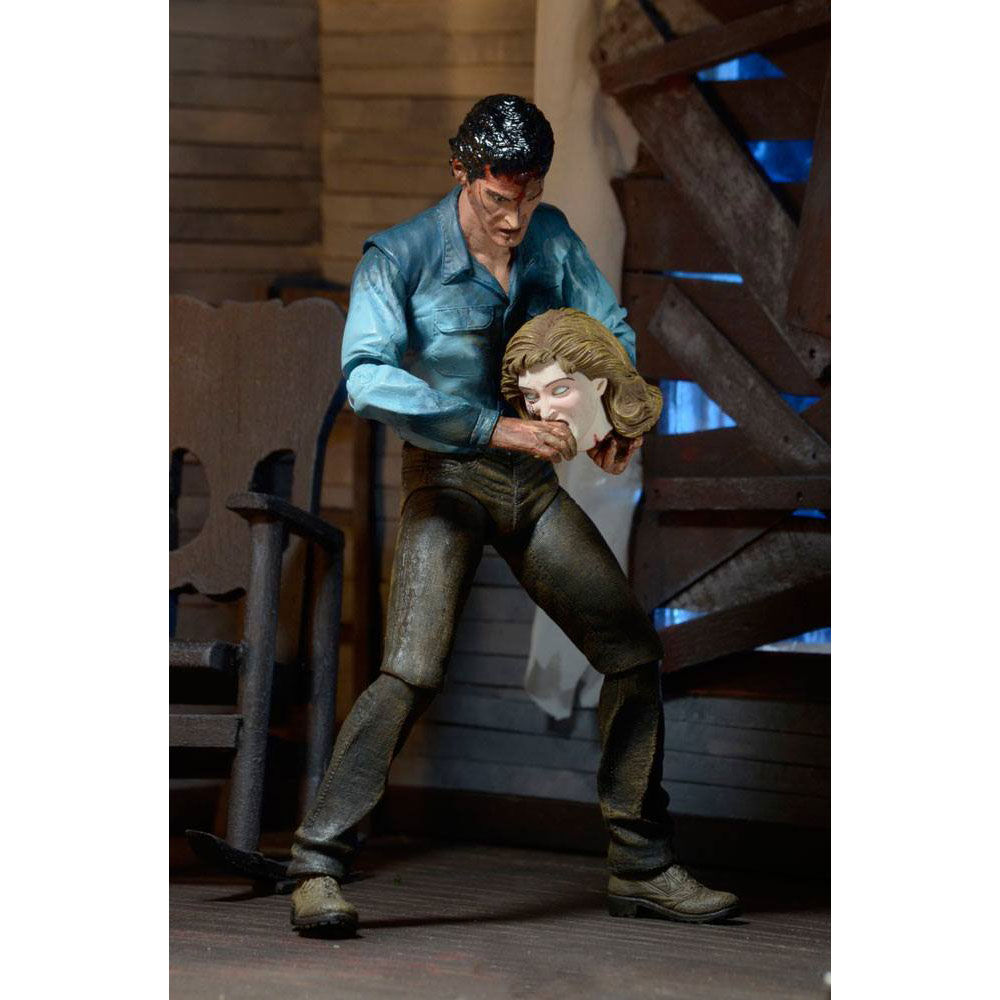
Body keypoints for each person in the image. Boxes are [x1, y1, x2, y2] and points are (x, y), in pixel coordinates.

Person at [288, 94, 739, 935]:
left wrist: (614, 417)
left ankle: (641, 863)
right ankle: (316, 863)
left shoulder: (550, 235)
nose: (514, 219)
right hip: (448, 478)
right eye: (500, 199)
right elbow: (367, 379)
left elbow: (607, 328)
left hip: (529, 488)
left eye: (528, 197)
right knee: (412, 669)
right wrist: (495, 427)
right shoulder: (398, 256)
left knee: (633, 652)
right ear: (460, 171)